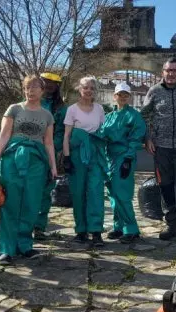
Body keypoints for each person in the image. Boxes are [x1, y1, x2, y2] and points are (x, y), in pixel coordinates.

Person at [0, 75, 57, 265]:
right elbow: (4, 134)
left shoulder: (47, 115)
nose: (31, 91)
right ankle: (6, 249)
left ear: (42, 91)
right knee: (11, 203)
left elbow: (49, 143)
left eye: (35, 87)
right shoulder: (14, 109)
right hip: (12, 159)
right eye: (28, 87)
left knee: (31, 203)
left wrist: (53, 167)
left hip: (37, 161)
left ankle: (25, 245)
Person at [141, 58, 176, 243]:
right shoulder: (155, 91)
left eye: (174, 70)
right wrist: (148, 137)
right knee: (165, 187)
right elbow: (144, 114)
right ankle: (171, 226)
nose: (171, 74)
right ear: (162, 72)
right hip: (161, 148)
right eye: (167, 70)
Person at [97, 83, 146, 244]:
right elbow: (101, 134)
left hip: (124, 156)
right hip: (109, 158)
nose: (123, 97)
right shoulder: (109, 116)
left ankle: (131, 229)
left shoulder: (134, 115)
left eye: (126, 94)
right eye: (120, 94)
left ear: (129, 97)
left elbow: (137, 136)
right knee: (112, 194)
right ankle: (118, 226)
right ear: (115, 96)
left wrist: (128, 158)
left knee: (123, 194)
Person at [63, 76, 107, 246]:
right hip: (76, 155)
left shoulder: (99, 109)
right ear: (79, 90)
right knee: (78, 192)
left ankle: (96, 232)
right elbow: (67, 135)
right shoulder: (72, 110)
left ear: (95, 91)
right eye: (85, 87)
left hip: (95, 154)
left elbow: (102, 131)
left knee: (96, 192)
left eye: (91, 88)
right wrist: (66, 157)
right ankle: (81, 230)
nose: (88, 91)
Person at [34, 72, 68, 240]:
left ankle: (39, 226)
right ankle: (25, 224)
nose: (48, 86)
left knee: (45, 191)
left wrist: (51, 147)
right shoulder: (32, 103)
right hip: (29, 151)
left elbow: (61, 132)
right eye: (45, 82)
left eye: (52, 83)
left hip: (48, 154)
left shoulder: (61, 108)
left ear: (57, 87)